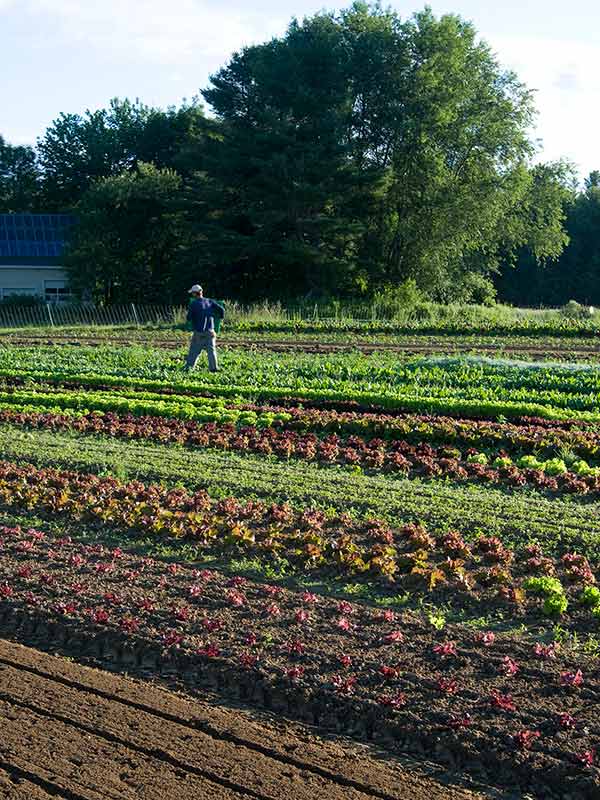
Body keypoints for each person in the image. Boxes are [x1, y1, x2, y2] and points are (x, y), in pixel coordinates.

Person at [184, 285, 225, 372]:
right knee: (211, 351)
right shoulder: (209, 301)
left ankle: (189, 368)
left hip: (199, 332)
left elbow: (188, 318)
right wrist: (220, 318)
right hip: (211, 331)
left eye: (192, 293)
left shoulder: (194, 304)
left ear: (195, 293)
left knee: (194, 351)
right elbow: (221, 310)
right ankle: (213, 368)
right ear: (201, 292)